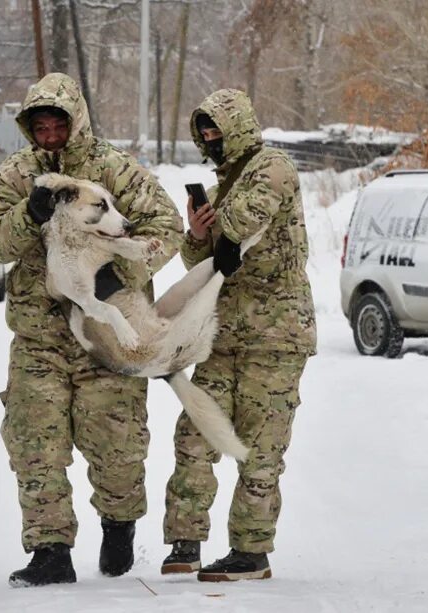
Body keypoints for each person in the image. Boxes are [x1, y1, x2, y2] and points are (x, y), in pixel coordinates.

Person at [0, 73, 183, 587]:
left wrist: (119, 274)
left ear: (77, 122)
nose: (49, 134)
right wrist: (29, 216)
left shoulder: (115, 171)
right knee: (34, 442)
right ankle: (50, 550)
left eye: (57, 123)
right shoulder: (19, 176)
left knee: (116, 446)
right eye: (39, 125)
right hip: (39, 336)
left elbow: (167, 228)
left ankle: (118, 525)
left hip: (105, 336)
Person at [160, 89, 316, 582]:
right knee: (195, 435)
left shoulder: (272, 167)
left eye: (218, 130)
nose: (212, 139)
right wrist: (197, 232)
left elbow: (247, 221)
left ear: (239, 127)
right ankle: (185, 542)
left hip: (274, 335)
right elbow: (202, 261)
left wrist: (215, 225)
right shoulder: (226, 182)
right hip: (223, 333)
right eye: (204, 132)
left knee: (260, 446)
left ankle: (251, 552)